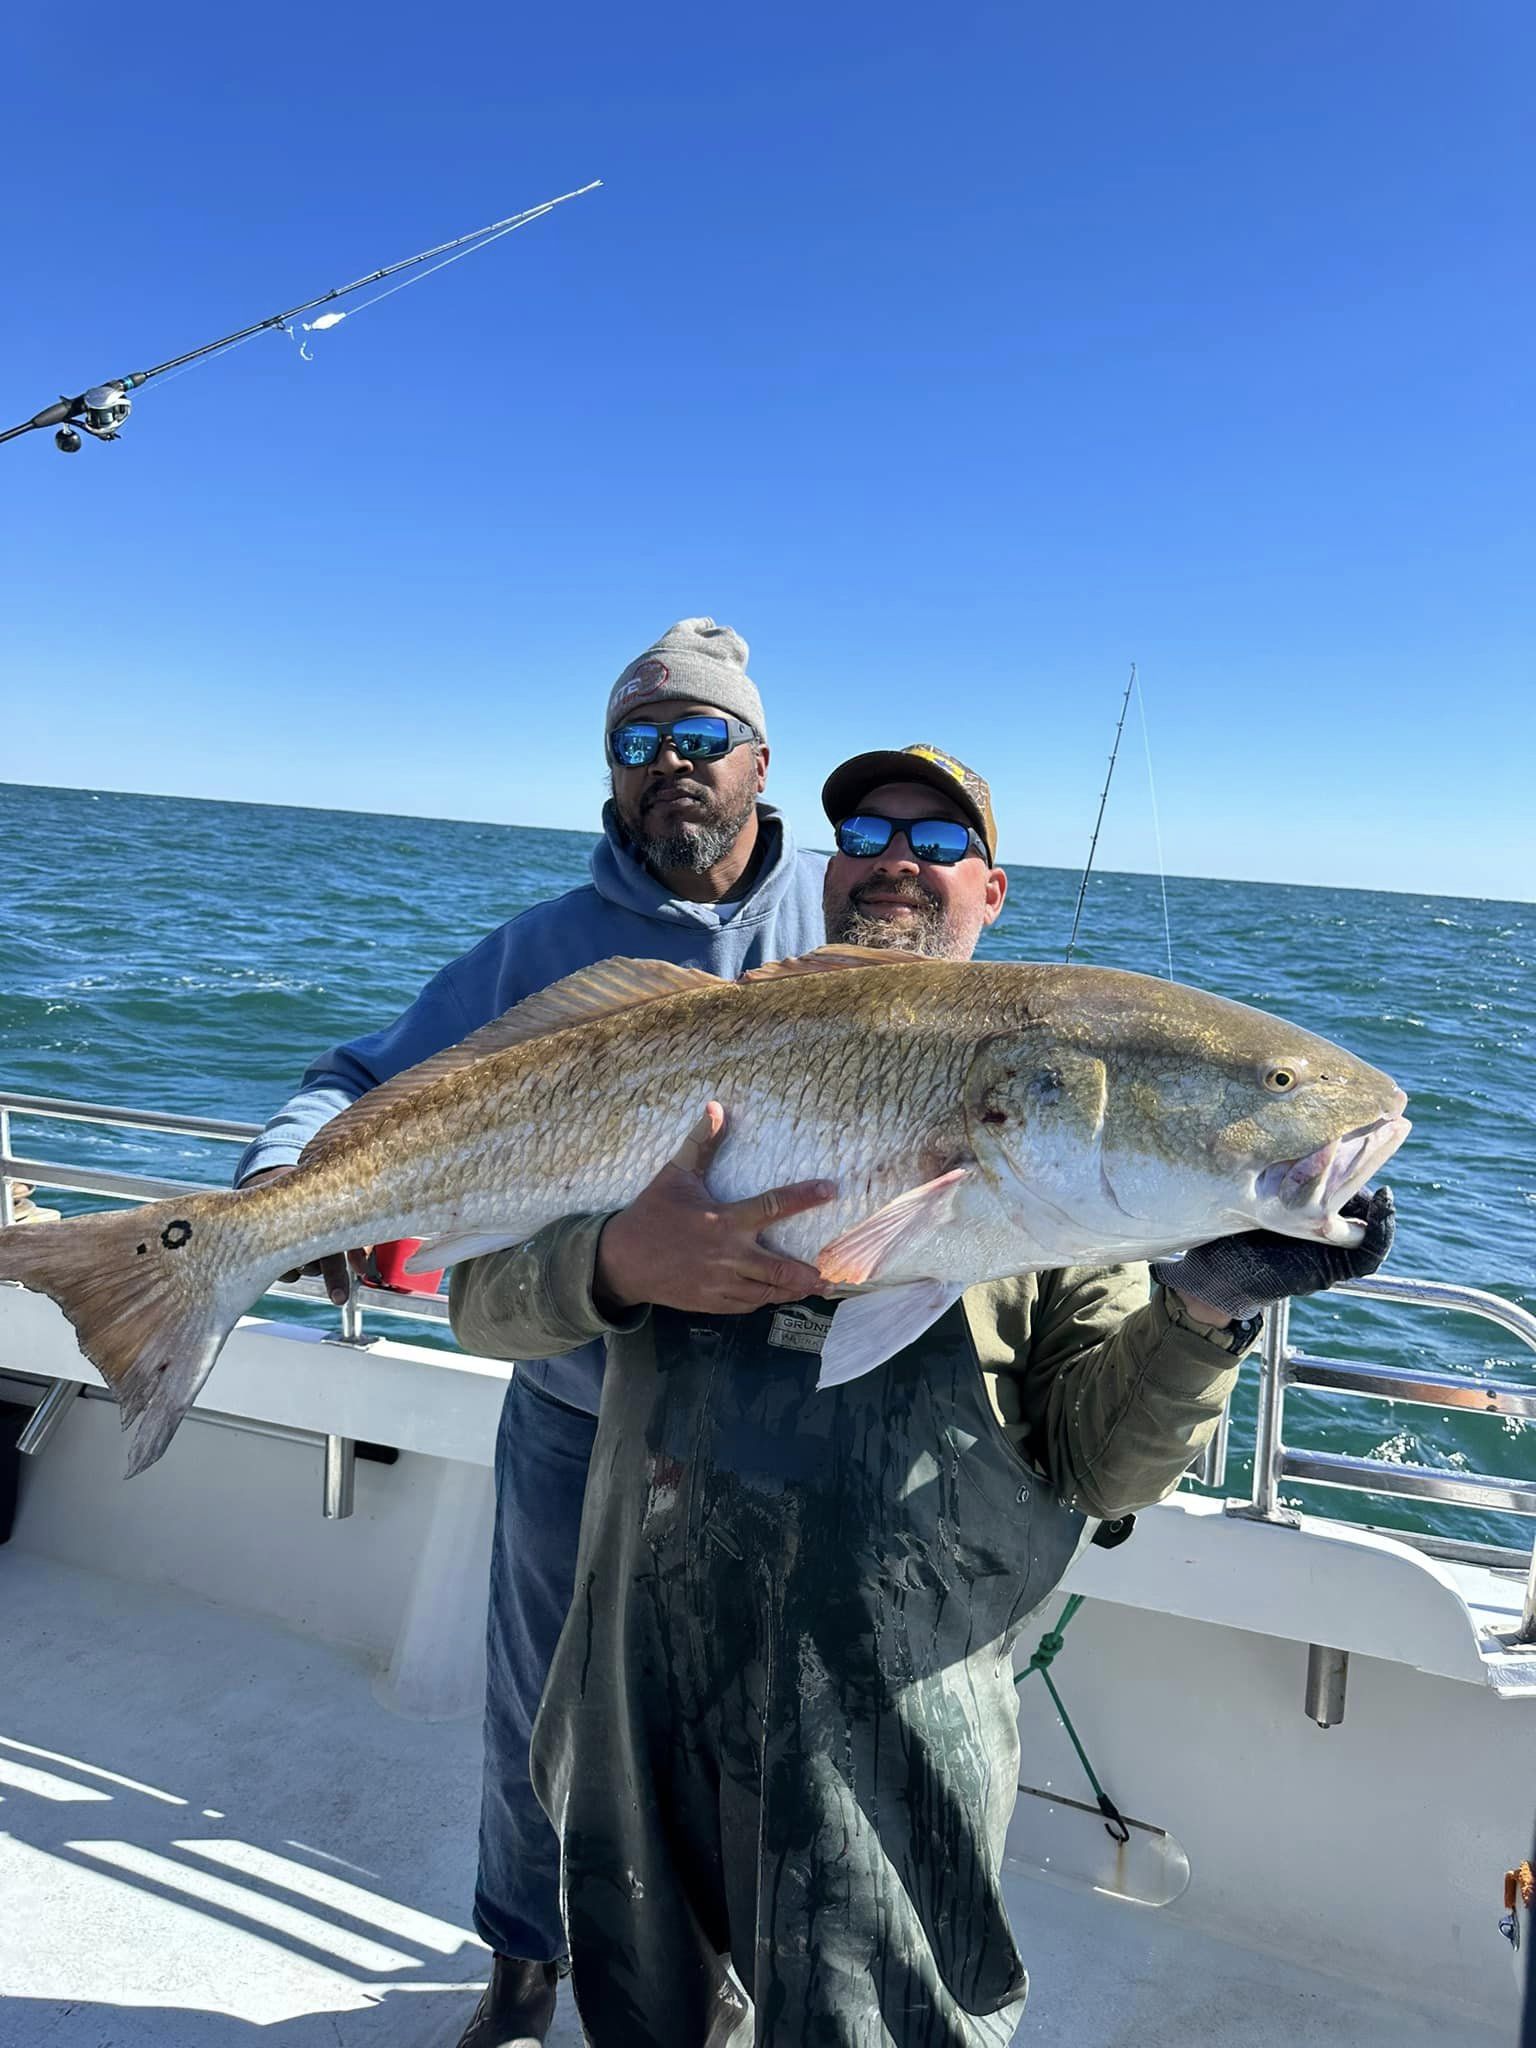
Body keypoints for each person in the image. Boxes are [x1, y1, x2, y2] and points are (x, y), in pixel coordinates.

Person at [450, 744, 1397, 2048]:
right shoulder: (697, 1071)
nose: (901, 858)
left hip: (893, 1720)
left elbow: (1102, 1467)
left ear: (991, 892)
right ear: (831, 870)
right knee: (638, 2014)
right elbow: (481, 1302)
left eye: (942, 843)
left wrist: (1202, 1308)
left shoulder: (1083, 1180)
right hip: (636, 1680)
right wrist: (619, 1259)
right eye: (869, 832)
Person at [235, 619, 832, 2048]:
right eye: (639, 744)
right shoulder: (544, 951)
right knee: (535, 1719)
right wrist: (283, 1184)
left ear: (760, 759)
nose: (671, 768)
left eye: (701, 739)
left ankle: (728, 1980)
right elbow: (361, 1078)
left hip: (780, 1418)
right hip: (576, 1400)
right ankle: (522, 1961)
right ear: (610, 773)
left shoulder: (842, 930)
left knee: (755, 1730)